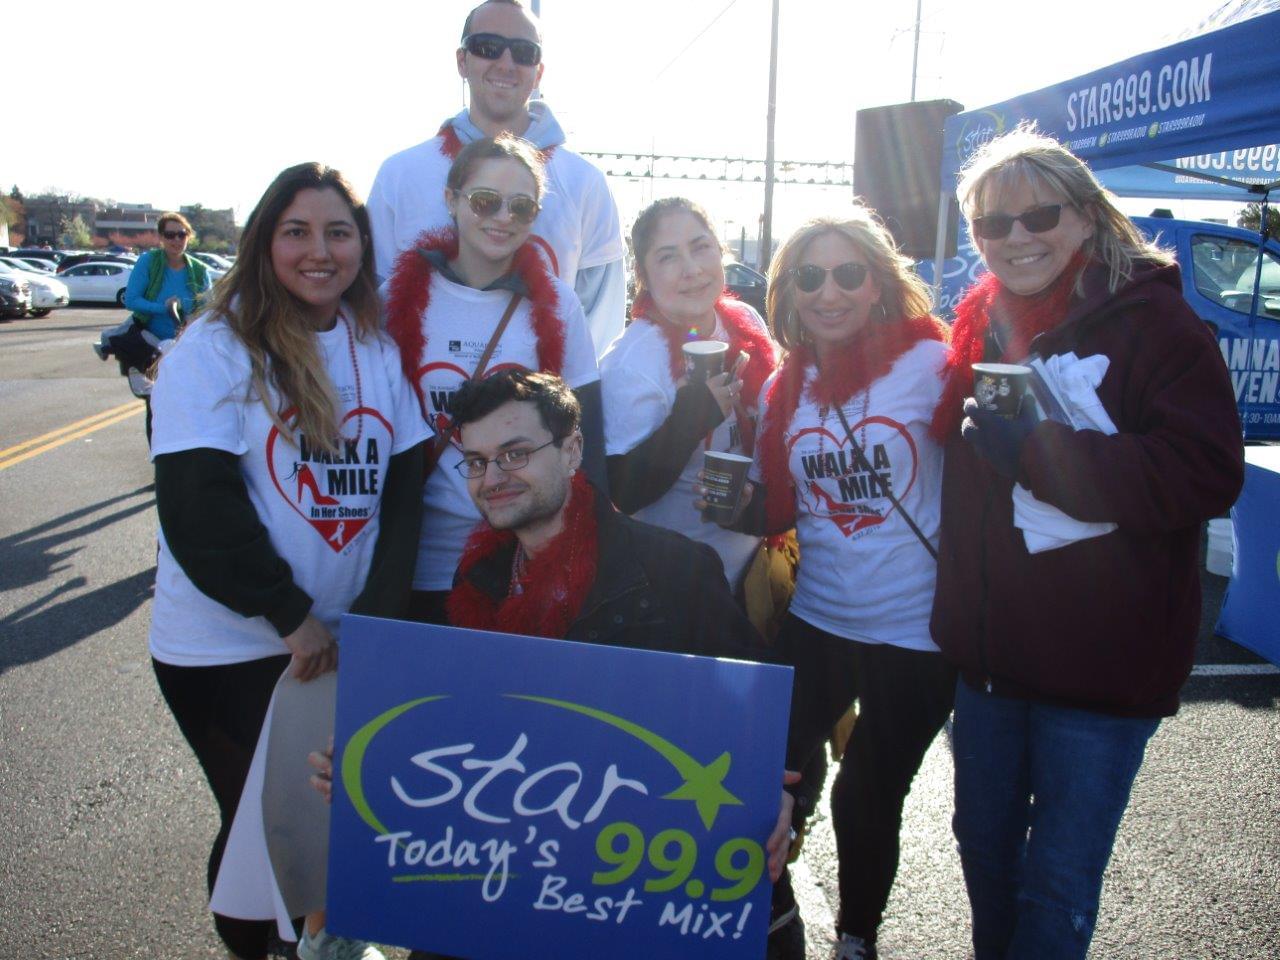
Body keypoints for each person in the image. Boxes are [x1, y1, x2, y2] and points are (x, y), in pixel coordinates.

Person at [308, 369, 797, 960]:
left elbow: (763, 714)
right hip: (517, 882)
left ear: (571, 451)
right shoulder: (475, 581)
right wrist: (371, 763)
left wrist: (781, 799)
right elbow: (465, 735)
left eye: (515, 454)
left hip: (630, 892)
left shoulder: (673, 573)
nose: (493, 478)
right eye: (476, 461)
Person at [927, 126, 1244, 960]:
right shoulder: (979, 324)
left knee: (1057, 887)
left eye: (1040, 215)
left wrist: (1036, 452)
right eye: (994, 225)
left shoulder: (1154, 323)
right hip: (993, 665)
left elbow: (1205, 473)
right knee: (985, 858)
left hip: (1098, 675)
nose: (1018, 237)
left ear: (1088, 216)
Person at [147, 162, 429, 960]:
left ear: (361, 246)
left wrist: (370, 618)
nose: (319, 250)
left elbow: (404, 489)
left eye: (339, 232)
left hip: (335, 639)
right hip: (230, 646)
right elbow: (198, 509)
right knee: (256, 830)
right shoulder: (214, 347)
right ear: (264, 241)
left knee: (326, 821)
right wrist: (289, 615)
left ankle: (318, 941)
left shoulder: (372, 344)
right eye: (296, 231)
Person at [714, 211, 955, 960]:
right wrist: (729, 499)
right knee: (759, 773)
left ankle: (856, 940)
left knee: (867, 798)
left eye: (849, 273)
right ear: (788, 290)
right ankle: (769, 921)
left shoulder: (932, 364)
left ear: (879, 282)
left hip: (914, 635)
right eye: (810, 276)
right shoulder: (791, 383)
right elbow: (781, 507)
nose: (830, 292)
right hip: (818, 619)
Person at [384, 133, 603, 627]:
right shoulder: (392, 300)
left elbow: (588, 439)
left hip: (517, 560)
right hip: (415, 556)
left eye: (521, 208)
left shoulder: (557, 305)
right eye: (486, 201)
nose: (502, 218)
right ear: (452, 200)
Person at [367, 0, 626, 356]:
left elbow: (601, 320)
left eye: (523, 52)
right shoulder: (400, 175)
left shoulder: (584, 183)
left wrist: (555, 402)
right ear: (462, 61)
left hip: (539, 403)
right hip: (419, 405)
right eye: (487, 47)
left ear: (538, 72)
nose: (506, 63)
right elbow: (374, 304)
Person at [601, 196, 779, 594]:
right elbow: (621, 495)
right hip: (676, 590)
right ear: (643, 274)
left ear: (720, 250)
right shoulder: (631, 362)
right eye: (667, 257)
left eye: (701, 247)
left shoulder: (745, 321)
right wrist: (688, 422)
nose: (692, 269)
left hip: (753, 574)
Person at [121, 211, 212, 434]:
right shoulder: (149, 263)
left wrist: (193, 319)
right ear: (161, 237)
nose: (176, 240)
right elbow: (132, 300)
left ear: (189, 236)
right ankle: (159, 458)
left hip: (186, 346)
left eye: (181, 234)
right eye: (170, 235)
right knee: (156, 405)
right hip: (150, 345)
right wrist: (163, 307)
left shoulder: (199, 271)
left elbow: (209, 307)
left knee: (187, 405)